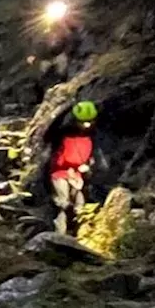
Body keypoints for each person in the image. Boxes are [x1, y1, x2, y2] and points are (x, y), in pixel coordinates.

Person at [49, 100, 99, 235]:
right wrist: (64, 109)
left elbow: (95, 155)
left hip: (78, 175)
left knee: (80, 206)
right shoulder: (62, 133)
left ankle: (80, 236)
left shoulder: (93, 135)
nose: (86, 125)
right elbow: (49, 134)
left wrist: (89, 166)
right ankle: (59, 235)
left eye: (89, 122)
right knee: (64, 204)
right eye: (82, 122)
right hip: (60, 173)